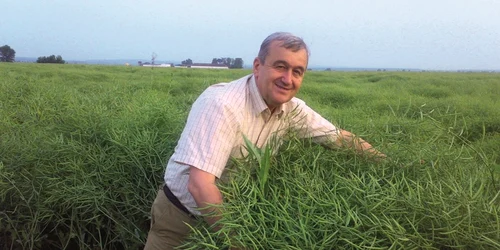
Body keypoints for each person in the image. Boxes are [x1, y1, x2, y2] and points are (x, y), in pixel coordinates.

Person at [144, 32, 386, 249]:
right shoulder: (222, 104)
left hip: (231, 214)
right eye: (280, 66)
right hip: (181, 217)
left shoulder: (292, 110)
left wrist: (390, 163)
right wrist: (237, 241)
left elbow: (339, 138)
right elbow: (200, 185)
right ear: (258, 66)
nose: (288, 79)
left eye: (297, 71)